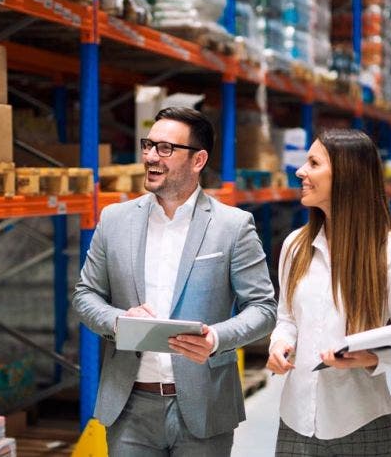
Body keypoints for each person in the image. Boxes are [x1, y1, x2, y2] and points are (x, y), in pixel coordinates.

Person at [71, 106, 277, 456]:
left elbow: (263, 309)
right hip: (129, 407)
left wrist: (216, 338)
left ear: (198, 160)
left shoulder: (232, 226)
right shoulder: (115, 220)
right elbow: (85, 294)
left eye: (165, 148)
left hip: (204, 405)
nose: (151, 156)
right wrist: (118, 322)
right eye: (148, 145)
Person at [265, 129, 391, 457]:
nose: (301, 171)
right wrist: (280, 343)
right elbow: (286, 318)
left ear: (347, 175)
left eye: (313, 163)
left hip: (361, 425)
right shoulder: (296, 247)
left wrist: (370, 358)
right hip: (295, 421)